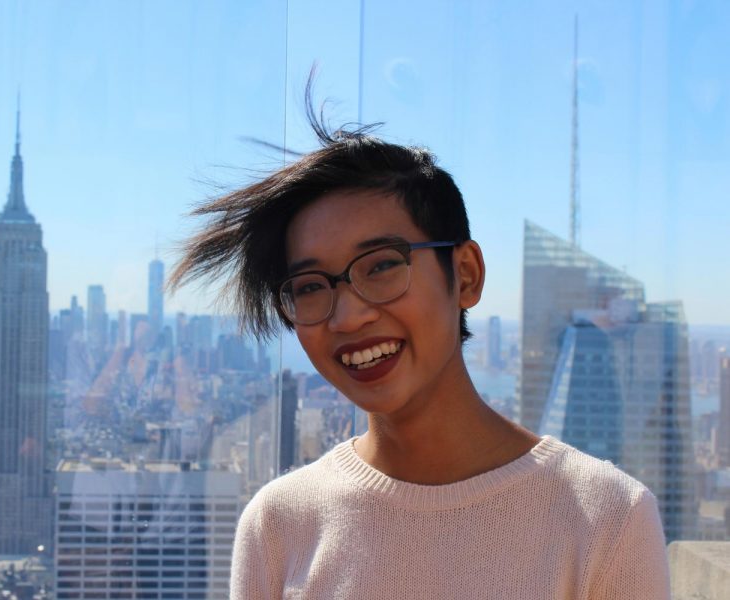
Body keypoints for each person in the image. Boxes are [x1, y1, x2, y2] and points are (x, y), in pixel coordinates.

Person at [168, 91, 671, 599]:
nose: (349, 316)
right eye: (311, 287)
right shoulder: (279, 523)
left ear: (466, 274)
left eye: (383, 265)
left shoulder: (607, 520)